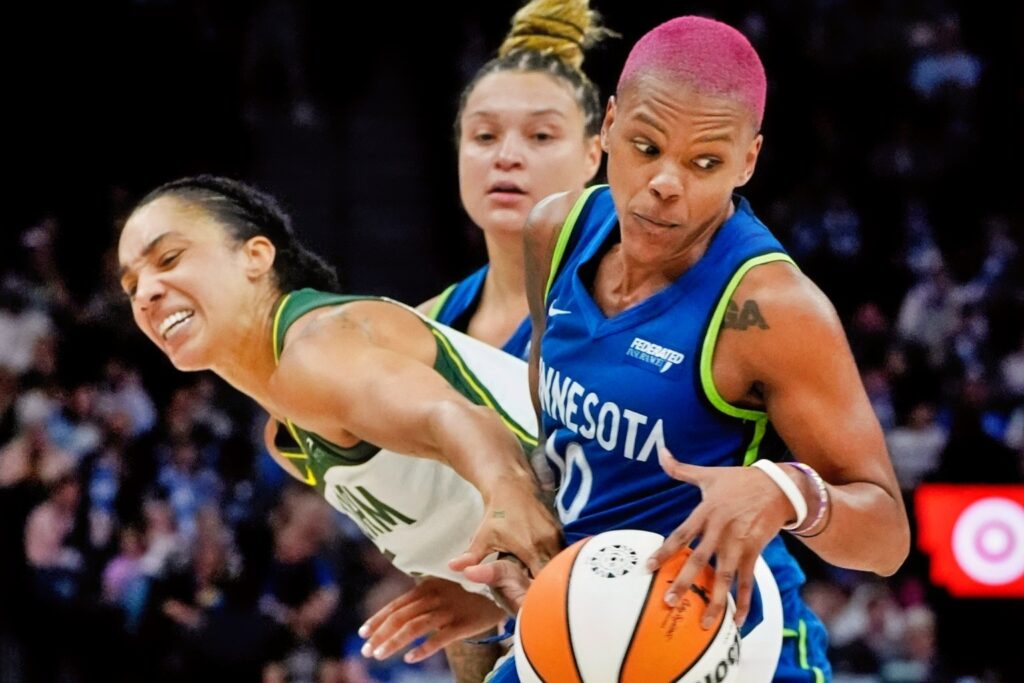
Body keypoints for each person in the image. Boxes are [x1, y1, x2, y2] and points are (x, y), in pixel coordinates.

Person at [472, 15, 910, 682]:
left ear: (747, 160)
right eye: (646, 147)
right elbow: (548, 441)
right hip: (583, 617)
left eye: (705, 162)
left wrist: (784, 489)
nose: (666, 183)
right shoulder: (552, 231)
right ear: (609, 125)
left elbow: (886, 537)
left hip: (727, 640)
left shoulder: (770, 310)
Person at [115, 175, 562, 652]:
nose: (145, 293)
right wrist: (482, 593)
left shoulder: (317, 348)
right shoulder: (285, 438)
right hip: (576, 558)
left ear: (255, 256)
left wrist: (507, 495)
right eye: (131, 285)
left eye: (169, 260)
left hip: (619, 518)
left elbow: (460, 419)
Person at [420, 0, 606, 359]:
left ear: (592, 156)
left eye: (541, 136)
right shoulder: (425, 326)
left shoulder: (628, 310)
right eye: (485, 136)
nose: (506, 158)